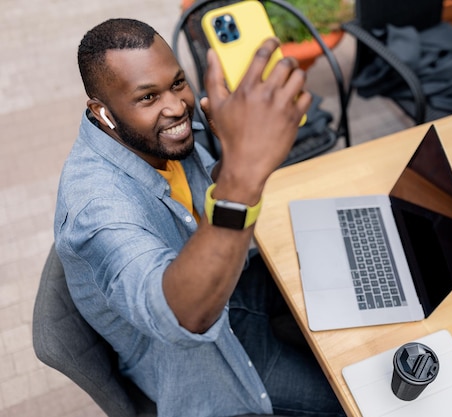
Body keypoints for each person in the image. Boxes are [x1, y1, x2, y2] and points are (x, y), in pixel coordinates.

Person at [54, 18, 344, 417]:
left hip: (234, 287)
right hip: (203, 359)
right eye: (147, 97)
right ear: (102, 113)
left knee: (353, 289)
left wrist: (236, 150)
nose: (175, 107)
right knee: (354, 398)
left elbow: (215, 203)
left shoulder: (160, 136)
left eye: (177, 83)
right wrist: (244, 169)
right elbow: (180, 317)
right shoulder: (98, 210)